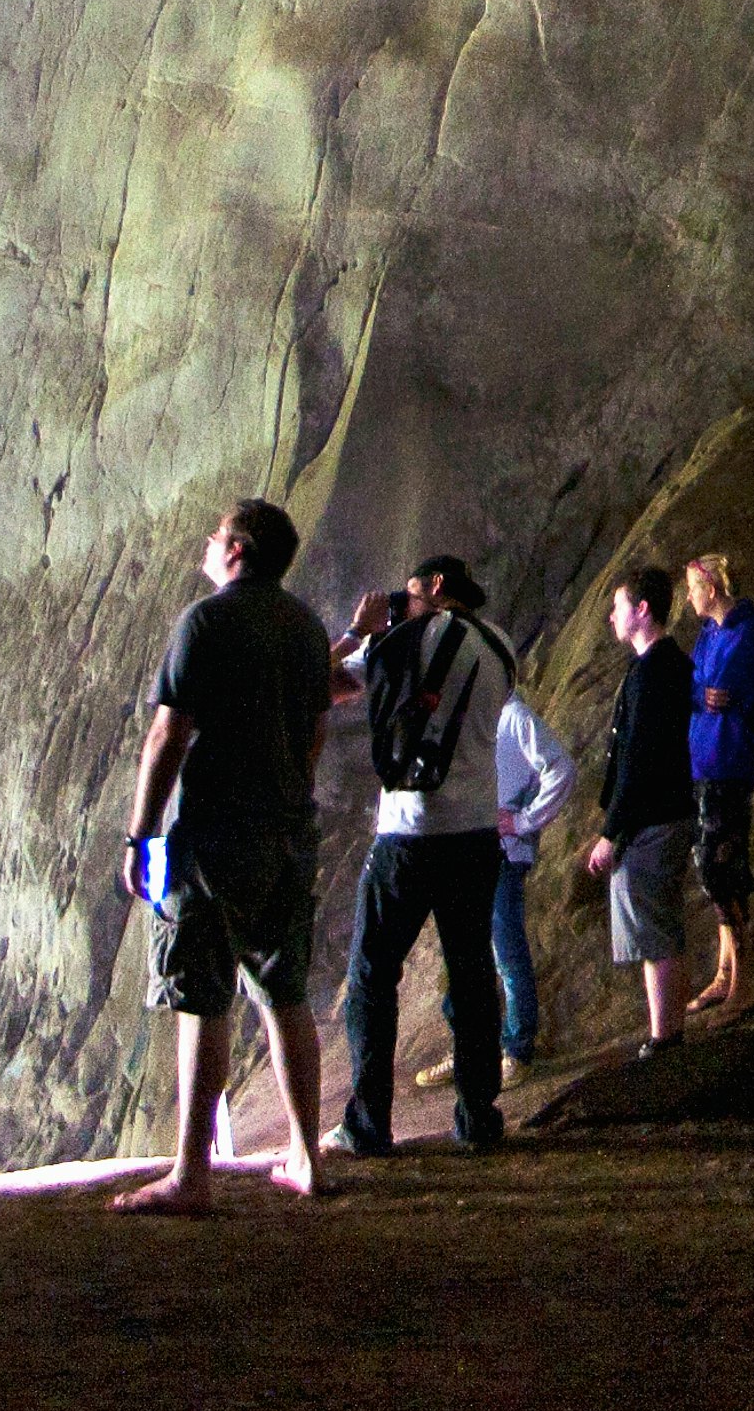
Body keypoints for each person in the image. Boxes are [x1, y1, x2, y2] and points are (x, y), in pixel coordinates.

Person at [113, 497, 338, 1213]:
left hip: (213, 838)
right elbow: (315, 732)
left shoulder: (205, 621)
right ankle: (306, 1153)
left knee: (203, 997)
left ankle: (190, 1174)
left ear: (236, 550)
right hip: (286, 833)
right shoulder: (305, 626)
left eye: (214, 536)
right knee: (284, 992)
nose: (206, 545)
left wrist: (142, 837)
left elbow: (167, 737)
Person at [332, 555, 523, 1156]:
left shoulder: (409, 639)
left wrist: (360, 632)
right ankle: (477, 1117)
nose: (403, 602)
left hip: (410, 834)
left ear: (436, 587)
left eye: (410, 592)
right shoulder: (502, 646)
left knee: (371, 974)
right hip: (476, 834)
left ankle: (368, 1123)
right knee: (470, 973)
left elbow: (326, 684)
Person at [425, 619, 578, 1088]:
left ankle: (517, 1049)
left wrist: (525, 819)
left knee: (505, 953)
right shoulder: (478, 719)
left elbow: (560, 767)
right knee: (465, 956)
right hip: (467, 850)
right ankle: (474, 1048)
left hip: (499, 855)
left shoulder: (513, 716)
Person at [580, 567, 701, 1052]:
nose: (612, 616)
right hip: (666, 813)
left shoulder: (652, 674)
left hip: (652, 821)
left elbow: (637, 761)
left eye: (618, 605)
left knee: (654, 932)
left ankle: (665, 1038)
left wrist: (613, 832)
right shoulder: (669, 666)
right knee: (661, 926)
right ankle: (667, 1033)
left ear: (642, 609)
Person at [681, 552, 754, 1016]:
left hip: (729, 762)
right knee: (714, 865)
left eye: (694, 588)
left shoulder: (746, 630)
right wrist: (699, 695)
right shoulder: (709, 633)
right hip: (704, 761)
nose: (689, 597)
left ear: (712, 588)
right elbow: (698, 688)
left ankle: (744, 978)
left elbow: (721, 685)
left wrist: (705, 693)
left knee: (722, 869)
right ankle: (726, 973)